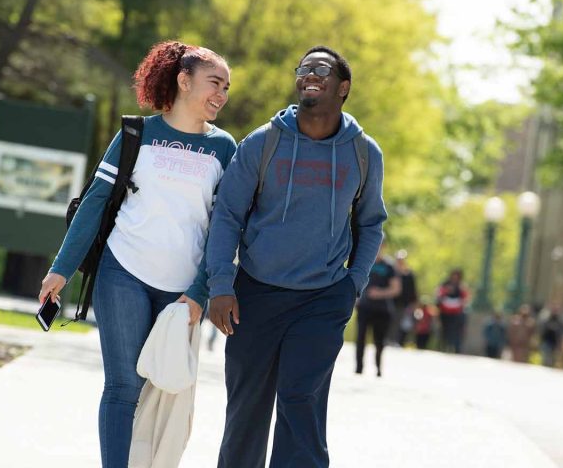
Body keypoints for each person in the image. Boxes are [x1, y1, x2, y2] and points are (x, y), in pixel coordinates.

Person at [37, 41, 236, 468]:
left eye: (227, 87)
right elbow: (95, 201)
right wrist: (61, 269)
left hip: (182, 291)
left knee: (165, 389)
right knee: (123, 386)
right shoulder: (137, 134)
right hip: (122, 272)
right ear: (184, 81)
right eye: (214, 83)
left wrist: (201, 291)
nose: (221, 94)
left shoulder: (224, 148)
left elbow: (225, 229)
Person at [204, 45, 387, 468]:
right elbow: (228, 214)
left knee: (300, 398)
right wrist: (220, 285)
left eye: (320, 69)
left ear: (343, 87)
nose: (309, 74)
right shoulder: (263, 142)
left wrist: (352, 284)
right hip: (255, 294)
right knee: (246, 410)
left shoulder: (363, 152)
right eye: (303, 68)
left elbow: (371, 222)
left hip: (321, 299)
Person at [355, 244, 401, 376]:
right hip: (364, 307)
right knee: (360, 338)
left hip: (382, 310)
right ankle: (358, 368)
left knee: (379, 341)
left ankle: (378, 369)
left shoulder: (389, 266)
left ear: (384, 246)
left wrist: (380, 293)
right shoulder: (363, 261)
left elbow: (396, 289)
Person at [435, 269, 469, 354]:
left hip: (456, 312)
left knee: (454, 331)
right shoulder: (444, 284)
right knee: (444, 330)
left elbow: (465, 298)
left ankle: (454, 347)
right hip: (444, 312)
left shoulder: (461, 286)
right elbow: (439, 295)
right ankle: (443, 346)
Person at [391, 249, 419, 346]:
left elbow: (413, 290)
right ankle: (386, 339)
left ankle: (395, 340)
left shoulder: (409, 274)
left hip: (403, 303)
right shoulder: (391, 271)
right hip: (390, 301)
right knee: (389, 321)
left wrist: (414, 304)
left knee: (399, 322)